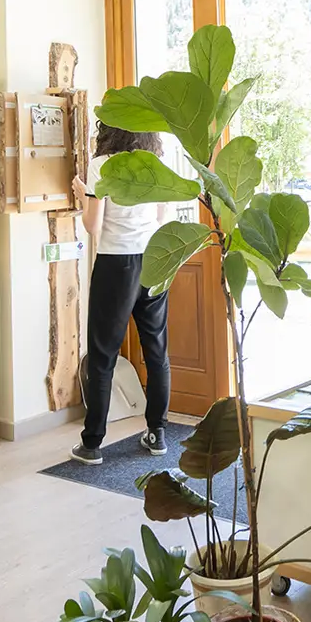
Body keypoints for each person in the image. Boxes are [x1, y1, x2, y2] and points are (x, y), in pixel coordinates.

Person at [71, 124, 174, 465]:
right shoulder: (153, 163)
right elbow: (161, 215)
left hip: (117, 263)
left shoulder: (102, 165)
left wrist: (83, 194)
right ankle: (157, 433)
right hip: (154, 259)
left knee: (103, 356)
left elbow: (92, 225)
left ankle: (92, 444)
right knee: (156, 351)